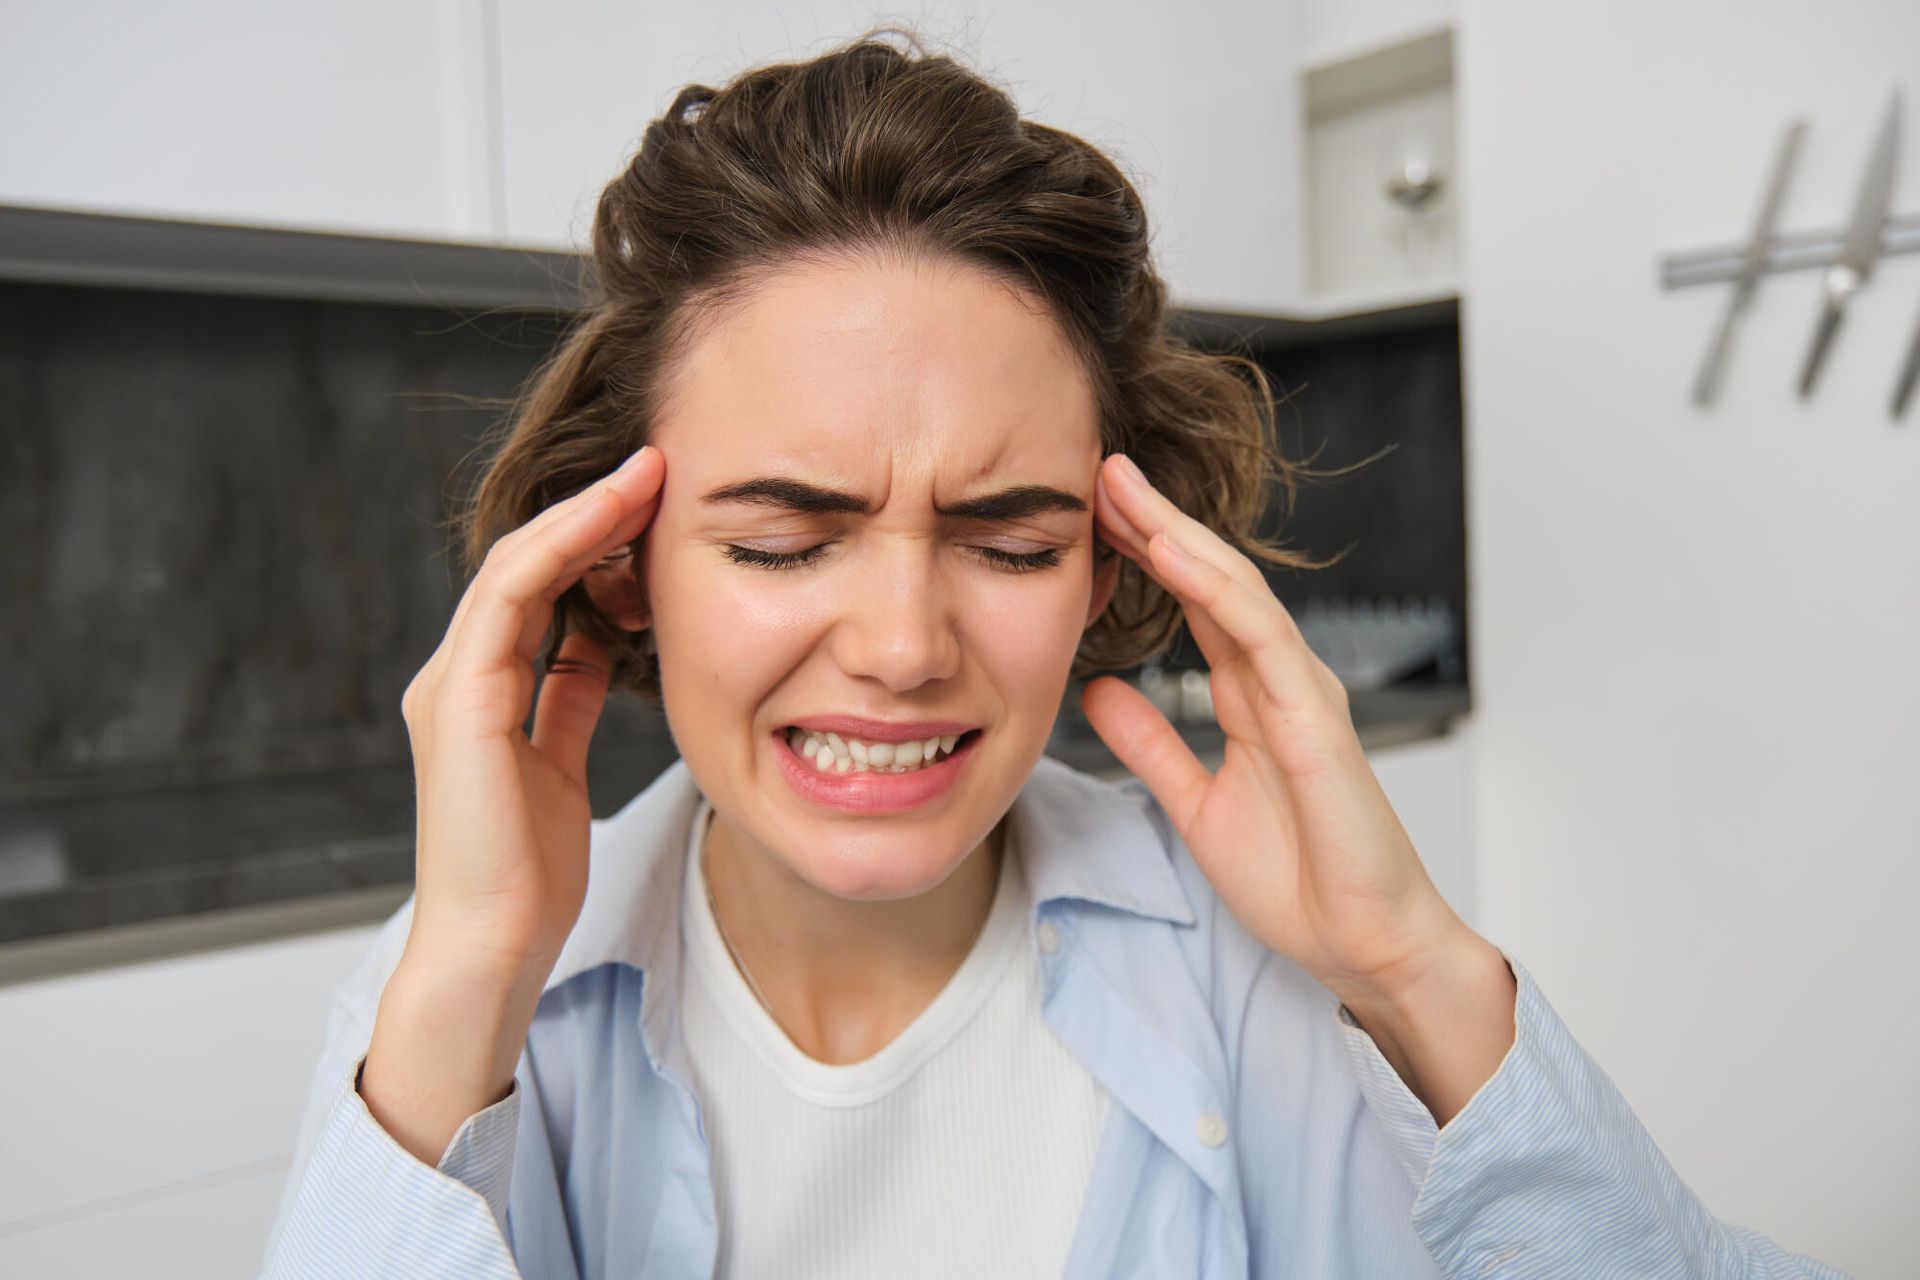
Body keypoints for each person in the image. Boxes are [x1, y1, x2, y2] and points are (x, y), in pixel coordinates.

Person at [259, 28, 1848, 1280]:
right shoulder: (458, 1007)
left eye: (1010, 543)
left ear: (1108, 565)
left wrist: (1411, 967)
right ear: (621, 568)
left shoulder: (1259, 981)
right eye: (780, 540)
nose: (898, 647)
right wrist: (466, 983)